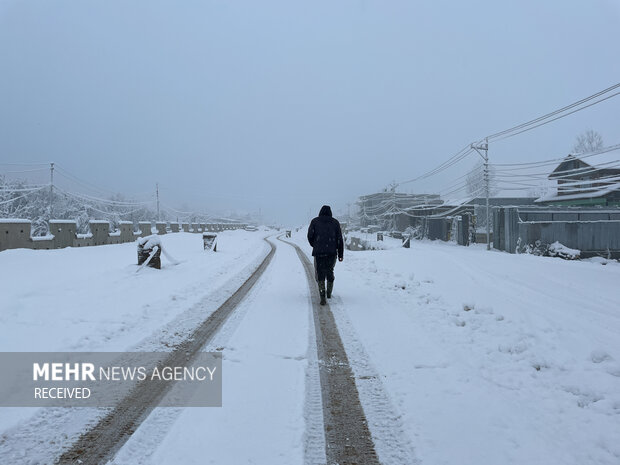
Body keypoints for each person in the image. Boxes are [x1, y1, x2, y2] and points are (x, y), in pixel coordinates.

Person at [307, 205, 344, 305]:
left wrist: (315, 244)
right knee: (330, 270)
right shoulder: (335, 222)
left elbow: (310, 236)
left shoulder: (315, 221)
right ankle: (329, 293)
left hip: (319, 252)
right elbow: (339, 239)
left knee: (320, 272)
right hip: (332, 252)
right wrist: (340, 254)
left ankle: (322, 296)